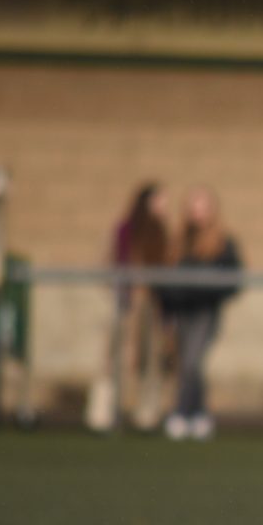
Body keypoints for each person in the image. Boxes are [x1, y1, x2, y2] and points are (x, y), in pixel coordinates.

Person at [157, 188, 241, 442]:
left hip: (205, 311)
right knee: (187, 364)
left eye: (203, 207)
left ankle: (181, 412)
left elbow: (232, 279)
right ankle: (200, 413)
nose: (198, 213)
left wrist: (202, 290)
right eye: (194, 207)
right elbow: (165, 278)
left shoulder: (222, 243)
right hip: (182, 312)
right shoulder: (178, 242)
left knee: (192, 361)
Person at [91, 182, 171, 432]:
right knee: (113, 356)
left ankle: (147, 412)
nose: (163, 206)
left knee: (151, 357)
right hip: (124, 302)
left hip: (152, 305)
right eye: (160, 200)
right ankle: (101, 412)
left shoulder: (161, 233)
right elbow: (110, 262)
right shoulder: (125, 230)